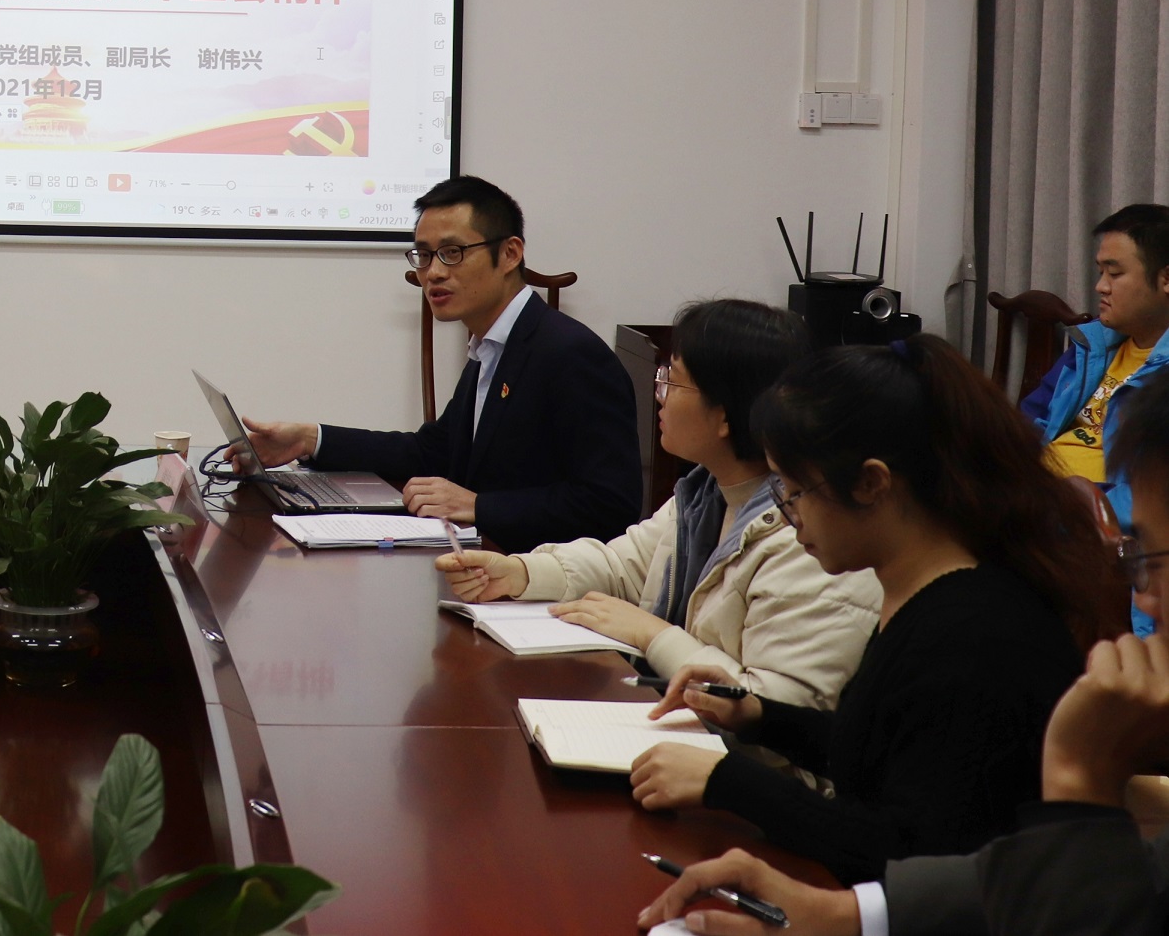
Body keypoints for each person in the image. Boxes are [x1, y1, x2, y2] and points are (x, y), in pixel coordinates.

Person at [639, 368, 1169, 936]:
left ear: (872, 483)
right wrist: (759, 715)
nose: (791, 519)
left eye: (795, 493)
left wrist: (729, 781)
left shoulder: (977, 635)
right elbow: (883, 751)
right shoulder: (921, 592)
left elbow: (909, 846)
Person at [436, 298, 880, 708]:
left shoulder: (808, 535)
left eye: (673, 380)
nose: (659, 392)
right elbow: (621, 566)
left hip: (739, 760)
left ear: (725, 415)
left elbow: (779, 709)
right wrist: (519, 573)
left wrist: (653, 636)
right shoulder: (705, 494)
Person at [236, 175, 640, 551]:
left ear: (510, 254)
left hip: (538, 579)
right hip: (480, 562)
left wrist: (479, 506)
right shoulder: (492, 345)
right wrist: (311, 439)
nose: (433, 273)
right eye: (425, 256)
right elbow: (432, 452)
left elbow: (610, 504)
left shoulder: (569, 352)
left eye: (452, 253)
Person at [1024, 205, 1169, 545]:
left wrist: (1056, 505)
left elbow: (1152, 499)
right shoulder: (1092, 347)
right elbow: (1029, 420)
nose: (1100, 286)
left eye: (1114, 274)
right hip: (1031, 499)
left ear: (1166, 280)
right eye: (1100, 271)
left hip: (1084, 531)